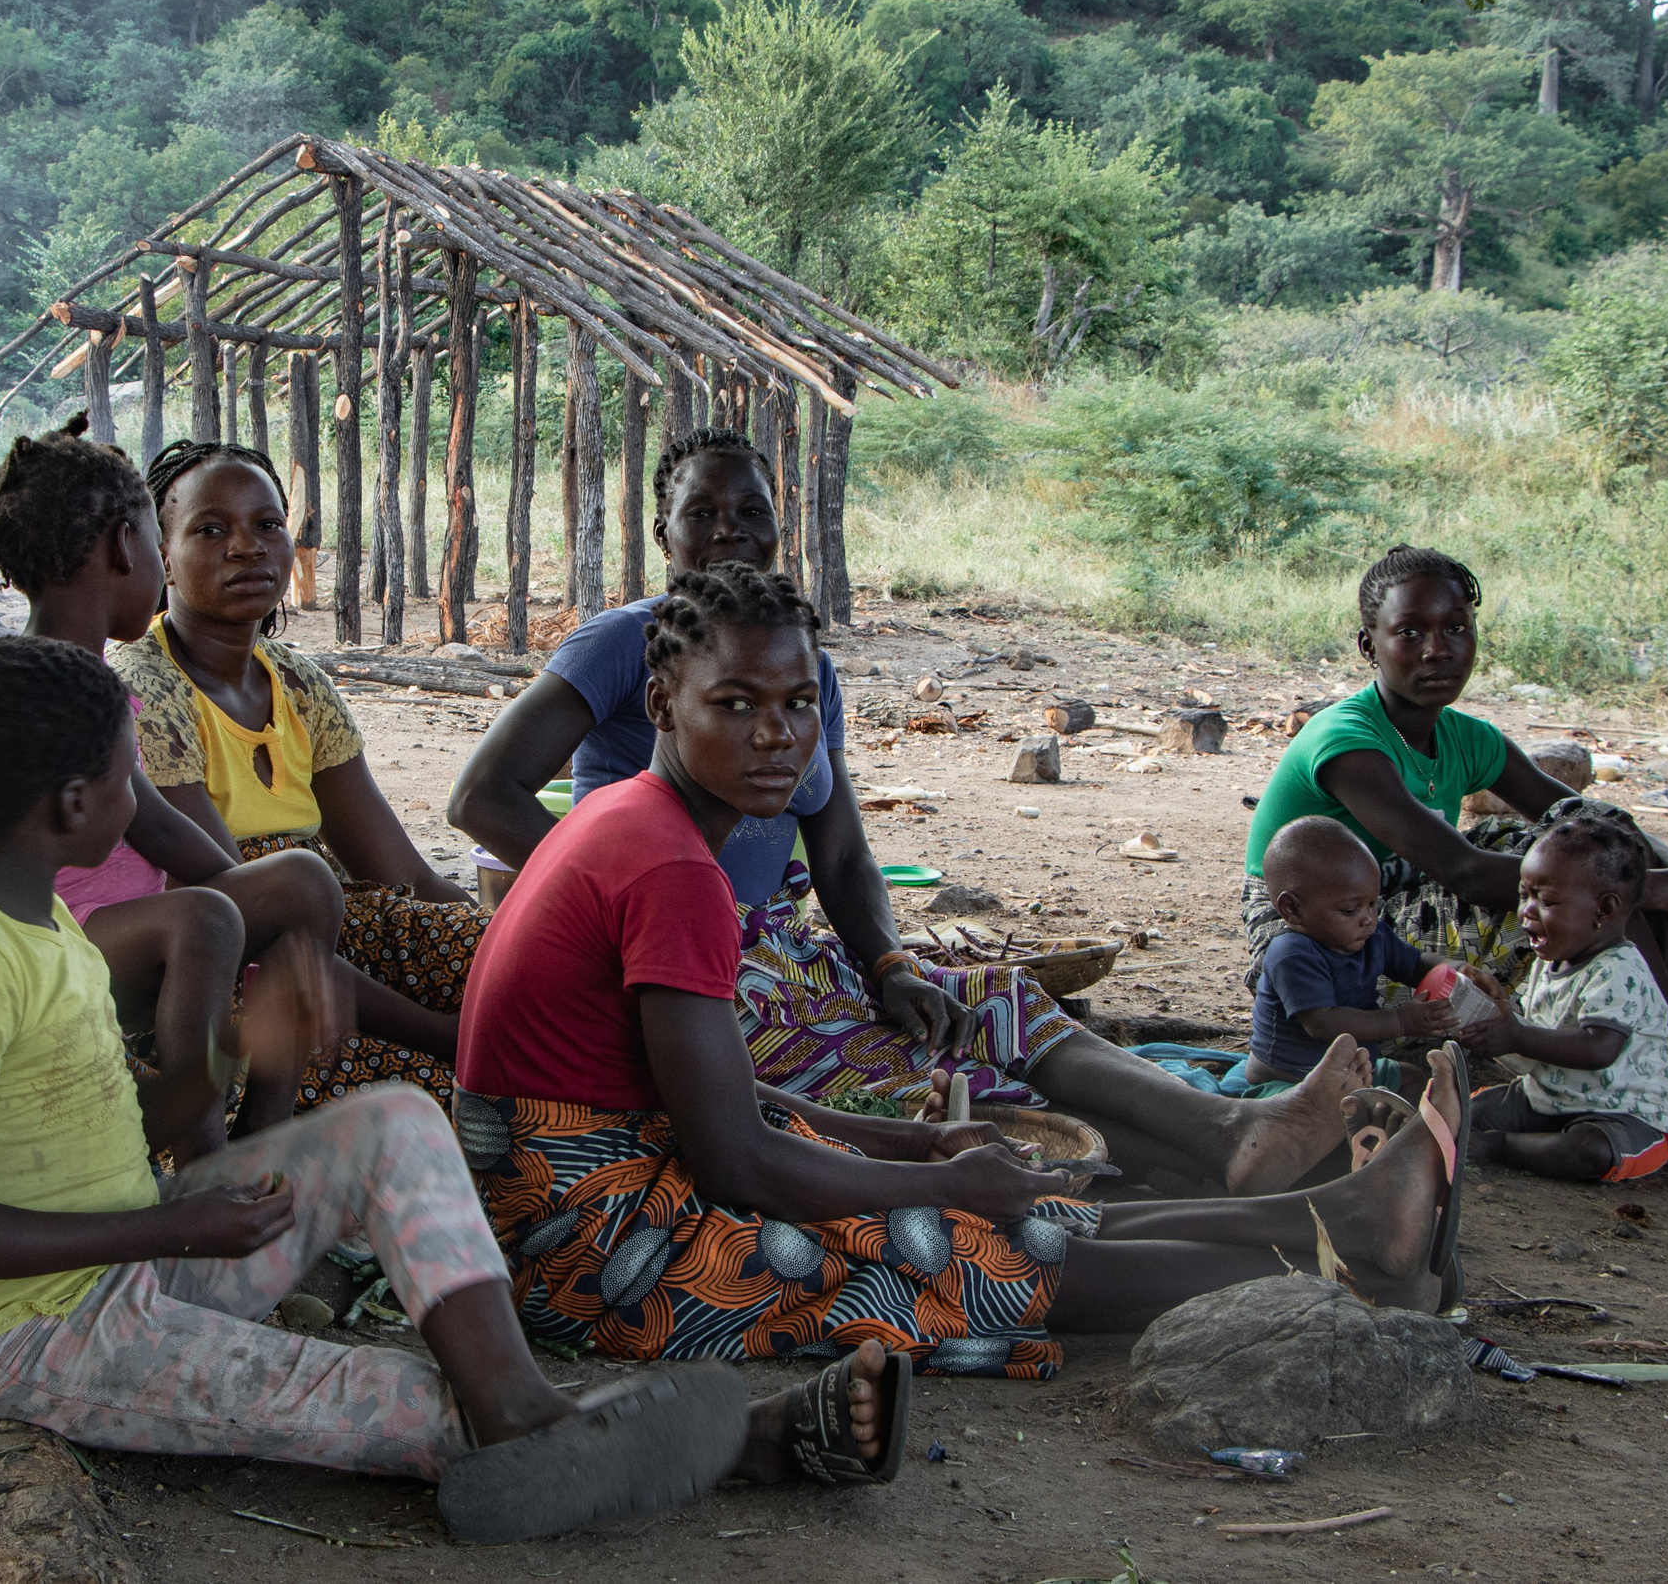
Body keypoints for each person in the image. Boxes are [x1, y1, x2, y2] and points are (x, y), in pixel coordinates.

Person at [0, 633, 911, 1542]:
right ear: (77, 802)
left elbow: (139, 1121)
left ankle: (515, 1403)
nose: (139, 796)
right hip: (27, 1340)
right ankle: (759, 1444)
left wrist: (244, 1058)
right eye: (130, 776)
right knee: (388, 1393)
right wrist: (168, 1234)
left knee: (396, 1123)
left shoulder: (42, 926)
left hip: (133, 1257)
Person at [454, 564, 1468, 1372]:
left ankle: (1331, 1217)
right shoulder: (669, 865)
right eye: (736, 703)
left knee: (984, 1198)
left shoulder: (639, 824)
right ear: (664, 703)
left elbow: (722, 1086)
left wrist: (918, 1147)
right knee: (976, 1243)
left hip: (598, 1178)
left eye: (799, 701)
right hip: (590, 1252)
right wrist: (920, 1172)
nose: (778, 735)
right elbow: (737, 1162)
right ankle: (1343, 1269)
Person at [452, 428, 1365, 1197]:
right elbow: (481, 796)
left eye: (751, 513)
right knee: (915, 1080)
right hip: (686, 951)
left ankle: (1233, 1133)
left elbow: (842, 850)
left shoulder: (801, 661)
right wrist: (622, 898)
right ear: (663, 532)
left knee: (986, 1001)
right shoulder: (631, 643)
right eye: (703, 514)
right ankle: (1220, 1186)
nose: (729, 532)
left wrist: (886, 959)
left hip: (777, 940)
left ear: (781, 525)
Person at [1241, 544, 1668, 1177]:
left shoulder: (1467, 738)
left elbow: (1596, 829)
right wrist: (1652, 891)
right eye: (1410, 632)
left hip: (1385, 919)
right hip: (1318, 940)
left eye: (1455, 628)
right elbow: (1464, 872)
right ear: (1368, 645)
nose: (1438, 649)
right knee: (1596, 883)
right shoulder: (1347, 741)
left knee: (1599, 849)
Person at [0, 417, 456, 1133]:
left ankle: (255, 1131)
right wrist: (252, 905)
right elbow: (151, 837)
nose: (246, 546)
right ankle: (216, 1145)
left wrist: (272, 903)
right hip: (66, 937)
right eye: (193, 532)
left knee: (290, 886)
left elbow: (159, 827)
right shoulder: (85, 686)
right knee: (212, 915)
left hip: (136, 928)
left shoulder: (78, 681)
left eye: (268, 524)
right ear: (133, 548)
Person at [109, 439, 479, 1110]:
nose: (247, 546)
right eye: (211, 529)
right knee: (432, 1088)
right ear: (161, 552)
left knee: (529, 973)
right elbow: (251, 914)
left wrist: (502, 937)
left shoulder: (299, 682)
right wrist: (446, 1036)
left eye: (267, 524)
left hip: (332, 927)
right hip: (233, 969)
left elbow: (407, 875)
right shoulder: (145, 690)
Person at [1461, 814, 1668, 1184]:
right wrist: (1493, 1022)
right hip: (1549, 1100)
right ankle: (1514, 1138)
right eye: (1524, 895)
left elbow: (1599, 1049)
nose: (1527, 911)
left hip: (1624, 1116)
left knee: (1588, 1152)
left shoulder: (1619, 969)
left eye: (1544, 900)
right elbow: (1538, 1040)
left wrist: (1516, 1035)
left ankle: (1501, 1147)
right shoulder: (1549, 962)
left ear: (1605, 909)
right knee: (1468, 1108)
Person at [1246, 816, 1464, 1091]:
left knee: (1416, 1082)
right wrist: (1401, 1021)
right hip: (1291, 1077)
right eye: (1350, 910)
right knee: (1325, 1123)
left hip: (1354, 1070)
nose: (1368, 918)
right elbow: (1323, 1023)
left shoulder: (1372, 935)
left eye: (1373, 903)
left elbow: (1415, 964)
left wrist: (1454, 968)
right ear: (1292, 909)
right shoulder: (1291, 954)